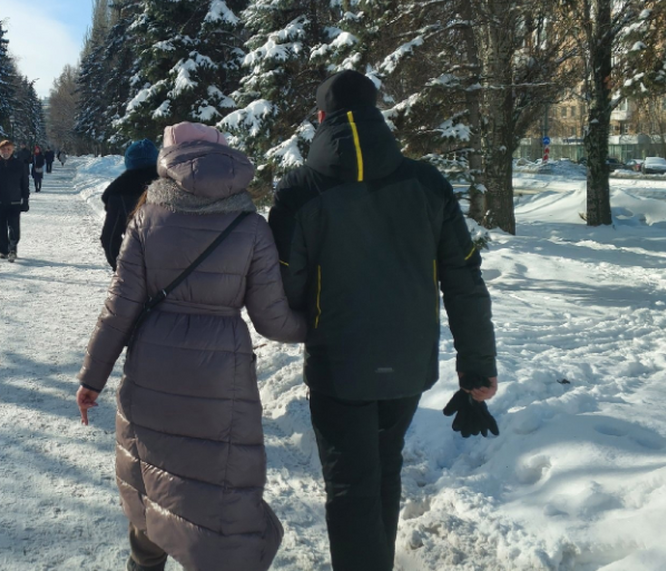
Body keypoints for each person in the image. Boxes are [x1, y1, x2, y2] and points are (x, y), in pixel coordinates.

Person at [267, 70, 497, 571]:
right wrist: (477, 365)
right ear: (377, 114)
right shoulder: (427, 182)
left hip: (337, 363)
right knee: (383, 467)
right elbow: (463, 278)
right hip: (408, 363)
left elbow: (286, 283)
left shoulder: (300, 191)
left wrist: (314, 313)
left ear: (322, 119)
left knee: (351, 485)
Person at [76, 121, 306, 571]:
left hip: (152, 369)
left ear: (170, 161)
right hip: (223, 376)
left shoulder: (147, 216)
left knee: (153, 479)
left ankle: (145, 561)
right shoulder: (251, 224)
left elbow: (120, 306)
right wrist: (321, 327)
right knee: (217, 489)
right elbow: (272, 320)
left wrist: (92, 378)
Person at [99, 139, 159, 271]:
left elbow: (109, 238)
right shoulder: (176, 187)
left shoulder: (120, 192)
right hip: (178, 271)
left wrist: (122, 269)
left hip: (138, 268)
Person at [0, 139, 30, 261]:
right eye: (3, 149)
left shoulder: (19, 165)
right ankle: (3, 250)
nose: (6, 152)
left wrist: (25, 199)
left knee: (14, 227)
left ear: (12, 150)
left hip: (14, 201)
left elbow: (25, 183)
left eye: (8, 149)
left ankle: (13, 249)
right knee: (1, 227)